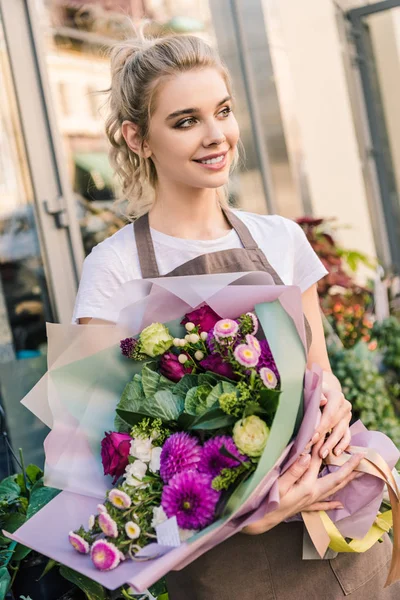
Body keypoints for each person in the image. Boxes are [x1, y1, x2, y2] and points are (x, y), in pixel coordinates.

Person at [73, 32, 398, 599]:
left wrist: (334, 409)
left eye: (222, 111)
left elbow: (321, 375)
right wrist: (250, 513)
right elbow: (102, 457)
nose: (215, 135)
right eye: (185, 121)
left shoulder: (281, 239)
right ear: (137, 138)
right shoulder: (114, 268)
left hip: (339, 537)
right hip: (232, 563)